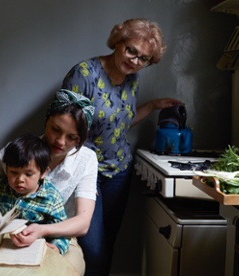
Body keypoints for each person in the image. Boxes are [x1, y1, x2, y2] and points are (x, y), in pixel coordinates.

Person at [61, 18, 183, 275]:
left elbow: (117, 124)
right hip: (85, 172)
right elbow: (62, 129)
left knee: (109, 243)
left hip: (119, 171)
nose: (135, 61)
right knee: (92, 248)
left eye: (144, 59)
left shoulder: (132, 80)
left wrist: (150, 107)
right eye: (131, 51)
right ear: (118, 41)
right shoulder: (84, 74)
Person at [0, 89, 98, 275]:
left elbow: (82, 223)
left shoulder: (86, 160)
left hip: (55, 235)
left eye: (72, 138)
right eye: (55, 129)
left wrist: (41, 231)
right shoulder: (16, 152)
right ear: (46, 120)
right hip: (4, 237)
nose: (61, 142)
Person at [0, 133, 70, 255]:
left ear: (43, 173)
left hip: (31, 250)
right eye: (14, 172)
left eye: (28, 174)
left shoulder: (51, 198)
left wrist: (56, 247)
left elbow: (62, 232)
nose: (20, 179)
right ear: (6, 169)